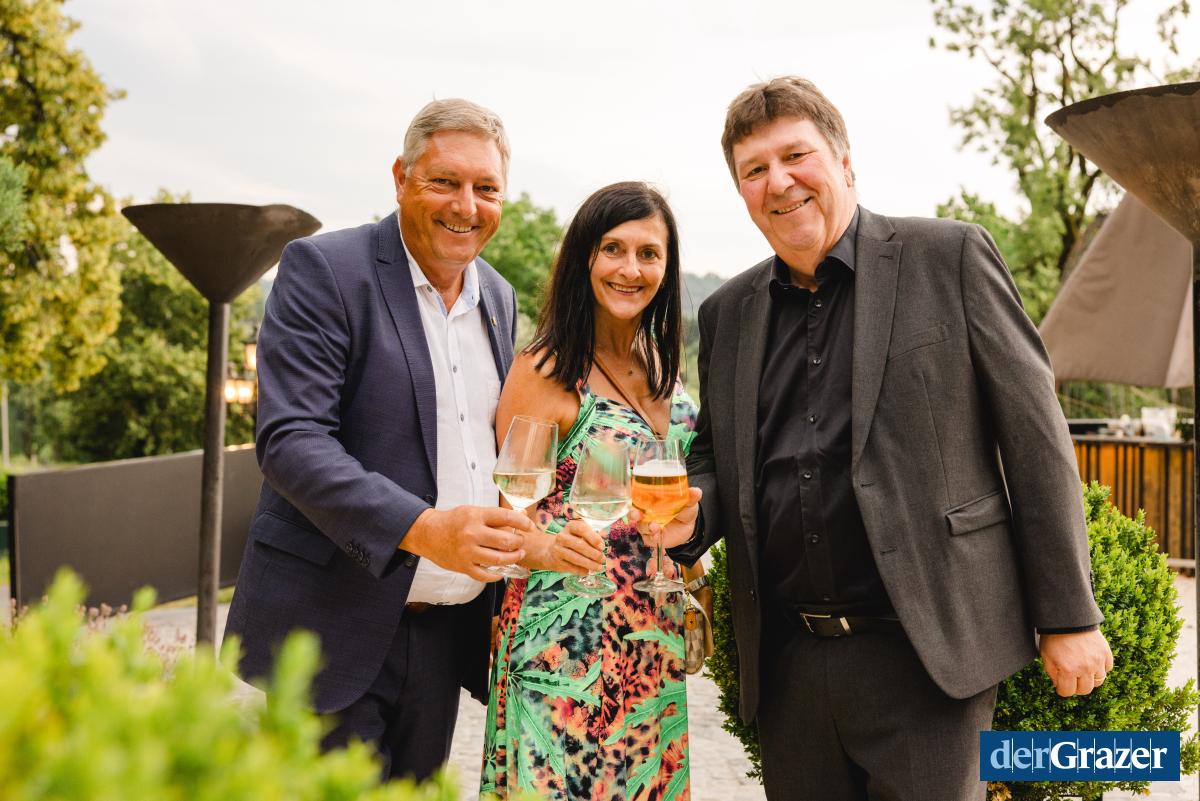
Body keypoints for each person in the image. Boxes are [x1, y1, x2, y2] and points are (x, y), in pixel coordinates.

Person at [663, 77, 1114, 801]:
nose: (778, 181)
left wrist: (1068, 617)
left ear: (844, 161)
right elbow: (717, 459)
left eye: (795, 156)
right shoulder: (725, 313)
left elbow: (1035, 438)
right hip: (789, 666)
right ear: (741, 191)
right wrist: (692, 516)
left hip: (927, 659)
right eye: (754, 169)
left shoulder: (951, 257)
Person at [224, 98, 536, 781]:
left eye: (486, 188)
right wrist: (425, 529)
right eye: (445, 181)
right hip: (330, 627)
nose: (467, 205)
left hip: (445, 634)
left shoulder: (499, 297)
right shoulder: (324, 269)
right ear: (401, 177)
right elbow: (290, 441)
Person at [480, 182, 700, 801]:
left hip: (650, 638)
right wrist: (548, 547)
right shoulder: (548, 369)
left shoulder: (663, 365)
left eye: (649, 253)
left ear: (667, 267)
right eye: (613, 249)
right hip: (564, 648)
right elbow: (508, 519)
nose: (631, 269)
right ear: (585, 257)